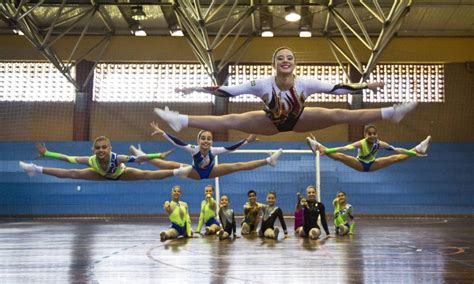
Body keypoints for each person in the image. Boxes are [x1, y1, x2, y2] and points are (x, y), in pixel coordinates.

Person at [154, 46, 417, 135]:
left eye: (289, 58)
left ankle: (390, 113)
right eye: (280, 58)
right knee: (229, 120)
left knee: (340, 113)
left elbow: (339, 88)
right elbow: (227, 92)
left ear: (295, 63)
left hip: (300, 119)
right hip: (270, 122)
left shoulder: (305, 83)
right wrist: (195, 88)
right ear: (274, 64)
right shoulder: (261, 84)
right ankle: (181, 120)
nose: (285, 61)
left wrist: (366, 86)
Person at [129, 122, 282, 180]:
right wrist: (162, 132)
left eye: (209, 138)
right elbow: (178, 142)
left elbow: (231, 148)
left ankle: (269, 161)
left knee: (238, 165)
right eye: (203, 138)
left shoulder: (214, 150)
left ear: (212, 142)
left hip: (211, 172)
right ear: (198, 140)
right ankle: (143, 158)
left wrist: (247, 141)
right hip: (194, 173)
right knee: (169, 165)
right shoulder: (194, 150)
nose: (206, 141)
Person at [19, 136, 191, 180]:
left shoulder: (118, 158)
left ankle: (178, 172)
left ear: (110, 149)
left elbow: (139, 160)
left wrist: (158, 155)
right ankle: (35, 169)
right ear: (93, 150)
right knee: (72, 172)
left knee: (147, 175)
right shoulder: (91, 160)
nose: (101, 150)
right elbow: (68, 158)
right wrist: (47, 153)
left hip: (120, 173)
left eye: (104, 148)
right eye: (98, 148)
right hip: (99, 173)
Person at [306, 124, 432, 172]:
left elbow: (398, 149)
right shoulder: (361, 143)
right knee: (341, 157)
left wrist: (412, 153)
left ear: (376, 134)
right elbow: (344, 148)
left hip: (372, 164)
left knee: (395, 158)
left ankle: (418, 149)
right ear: (365, 135)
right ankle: (319, 147)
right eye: (369, 134)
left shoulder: (380, 143)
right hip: (359, 163)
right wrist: (328, 151)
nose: (372, 135)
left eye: (374, 133)